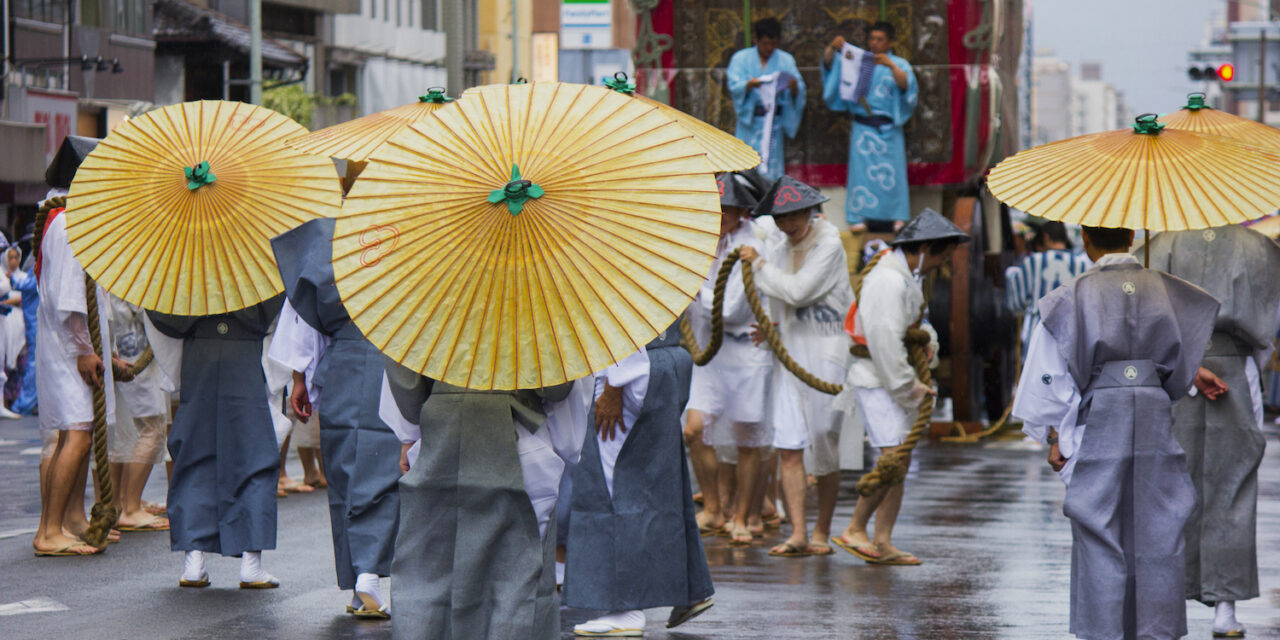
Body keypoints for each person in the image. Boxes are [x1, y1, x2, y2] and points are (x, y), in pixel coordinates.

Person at [1012, 226, 1219, 640]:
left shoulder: (1069, 297)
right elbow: (1179, 373)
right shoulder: (1170, 291)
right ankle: (1155, 631)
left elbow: (1052, 378)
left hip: (1100, 412)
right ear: (1131, 237)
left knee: (1098, 524)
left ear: (1086, 239)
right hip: (1154, 409)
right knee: (1162, 520)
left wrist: (1056, 436)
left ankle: (1104, 632)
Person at [1139, 225, 1280, 638]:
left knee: (1167, 485)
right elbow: (1268, 325)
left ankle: (1165, 599)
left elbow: (1145, 315)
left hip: (1172, 365)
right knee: (1233, 485)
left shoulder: (1158, 242)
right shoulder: (1260, 248)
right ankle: (1225, 606)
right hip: (1236, 363)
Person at [268, 217, 402, 618]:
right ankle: (370, 577)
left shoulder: (331, 237)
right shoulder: (415, 228)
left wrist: (300, 378)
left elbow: (303, 319)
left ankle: (362, 576)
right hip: (396, 359)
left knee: (345, 467)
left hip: (343, 359)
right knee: (384, 466)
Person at [383, 361, 575, 640]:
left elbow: (407, 390)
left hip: (441, 430)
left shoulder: (429, 315)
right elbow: (557, 388)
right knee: (515, 571)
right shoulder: (533, 315)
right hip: (517, 432)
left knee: (429, 567)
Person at [832, 209, 964, 566]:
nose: (943, 262)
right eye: (941, 254)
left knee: (899, 459)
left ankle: (882, 538)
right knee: (894, 457)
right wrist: (908, 385)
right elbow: (885, 339)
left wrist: (928, 344)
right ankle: (856, 528)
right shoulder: (888, 280)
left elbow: (916, 324)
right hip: (876, 378)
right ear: (923, 248)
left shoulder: (906, 276)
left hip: (888, 375)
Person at [565, 325, 715, 636]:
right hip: (663, 360)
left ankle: (625, 608)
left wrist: (614, 385)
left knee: (613, 489)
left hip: (628, 370)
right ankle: (690, 587)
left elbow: (623, 316)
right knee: (662, 487)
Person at [739, 176, 853, 557]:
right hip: (789, 352)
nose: (788, 224)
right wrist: (770, 326)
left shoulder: (829, 243)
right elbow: (781, 300)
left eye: (794, 216)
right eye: (781, 217)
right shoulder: (778, 244)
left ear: (809, 211)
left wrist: (758, 267)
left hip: (826, 351)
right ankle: (799, 532)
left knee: (825, 443)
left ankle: (822, 530)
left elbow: (799, 290)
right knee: (789, 446)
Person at [149, 295, 285, 589]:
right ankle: (251, 562)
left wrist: (202, 305)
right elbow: (278, 308)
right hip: (247, 352)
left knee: (195, 453)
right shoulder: (253, 253)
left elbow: (162, 313)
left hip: (200, 352)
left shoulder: (189, 255)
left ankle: (194, 560)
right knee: (253, 454)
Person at [683, 172, 773, 544]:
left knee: (746, 437)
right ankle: (715, 508)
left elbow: (733, 309)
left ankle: (742, 516)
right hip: (710, 351)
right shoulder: (699, 242)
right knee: (693, 429)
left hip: (746, 350)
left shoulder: (751, 245)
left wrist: (689, 287)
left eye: (725, 210)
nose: (718, 216)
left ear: (741, 212)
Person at [31, 195, 119, 556]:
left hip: (68, 344)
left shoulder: (66, 219)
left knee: (75, 434)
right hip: (69, 347)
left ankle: (71, 519)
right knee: (78, 436)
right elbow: (70, 299)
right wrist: (85, 350)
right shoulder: (69, 224)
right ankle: (49, 530)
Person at [822, 21, 918, 232]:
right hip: (863, 128)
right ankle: (858, 215)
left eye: (880, 39)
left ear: (890, 42)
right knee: (860, 174)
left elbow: (907, 88)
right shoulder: (858, 60)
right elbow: (832, 65)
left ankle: (897, 215)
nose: (875, 43)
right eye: (872, 39)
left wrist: (891, 66)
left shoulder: (900, 63)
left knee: (894, 175)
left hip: (889, 129)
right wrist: (832, 48)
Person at [105, 294, 170, 532]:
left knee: (123, 429)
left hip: (117, 343)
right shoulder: (131, 263)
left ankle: (119, 504)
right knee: (152, 426)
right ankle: (131, 506)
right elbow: (144, 305)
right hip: (134, 345)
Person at [727, 17, 806, 180]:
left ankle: (769, 203)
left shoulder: (785, 60)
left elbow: (799, 89)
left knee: (771, 171)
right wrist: (748, 85)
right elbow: (735, 86)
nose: (769, 48)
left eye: (773, 43)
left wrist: (793, 87)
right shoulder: (740, 59)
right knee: (745, 170)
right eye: (765, 43)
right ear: (756, 39)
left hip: (773, 124)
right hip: (749, 123)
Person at [1004, 221, 1091, 359]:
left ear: (1046, 237)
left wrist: (1010, 273)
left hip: (1037, 334)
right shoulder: (1082, 265)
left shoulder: (1033, 261)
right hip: (1072, 336)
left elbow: (1016, 304)